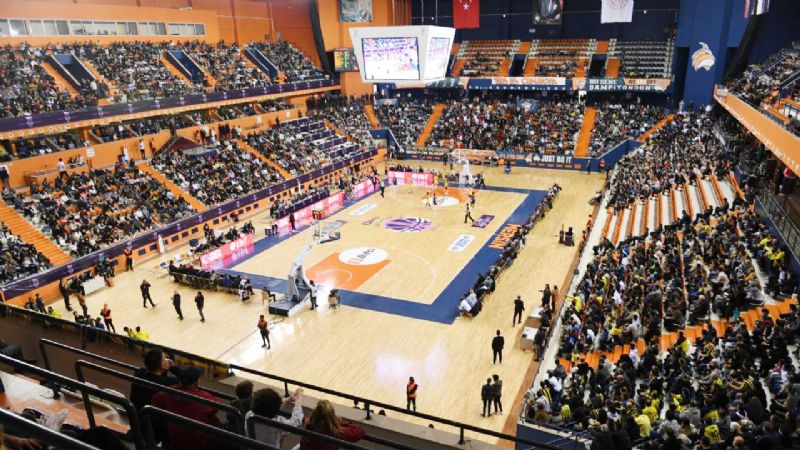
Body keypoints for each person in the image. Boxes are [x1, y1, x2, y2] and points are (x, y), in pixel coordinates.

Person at [151, 366, 222, 450]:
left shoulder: (165, 393)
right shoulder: (202, 398)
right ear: (196, 382)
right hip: (196, 443)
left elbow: (155, 401)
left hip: (172, 438)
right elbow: (216, 403)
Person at [130, 349, 181, 444]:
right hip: (156, 427)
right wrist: (172, 368)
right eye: (164, 358)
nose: (166, 359)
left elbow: (156, 378)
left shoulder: (138, 373)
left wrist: (163, 369)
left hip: (138, 421)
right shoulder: (170, 382)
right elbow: (185, 379)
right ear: (161, 365)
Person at [299, 400, 365, 449]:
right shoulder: (335, 433)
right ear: (332, 417)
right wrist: (338, 422)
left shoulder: (308, 425)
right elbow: (360, 431)